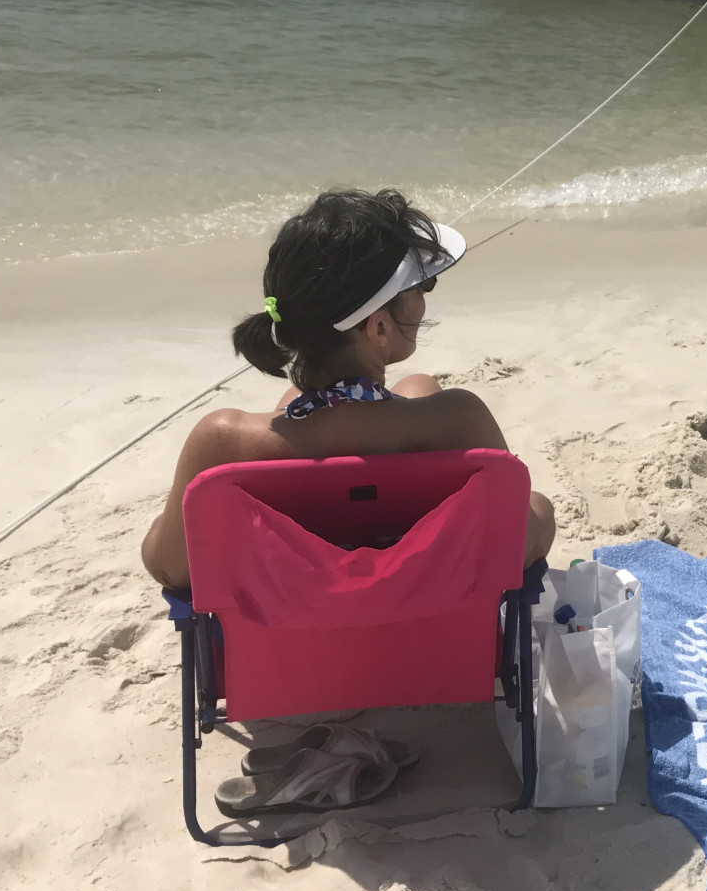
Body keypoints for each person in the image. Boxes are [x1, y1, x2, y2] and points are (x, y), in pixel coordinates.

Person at [141, 188, 554, 591]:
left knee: (293, 406)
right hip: (434, 645)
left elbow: (170, 568)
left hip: (290, 653)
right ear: (378, 327)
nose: (426, 297)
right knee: (422, 390)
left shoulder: (222, 442)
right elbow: (519, 545)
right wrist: (541, 508)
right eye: (421, 287)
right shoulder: (461, 423)